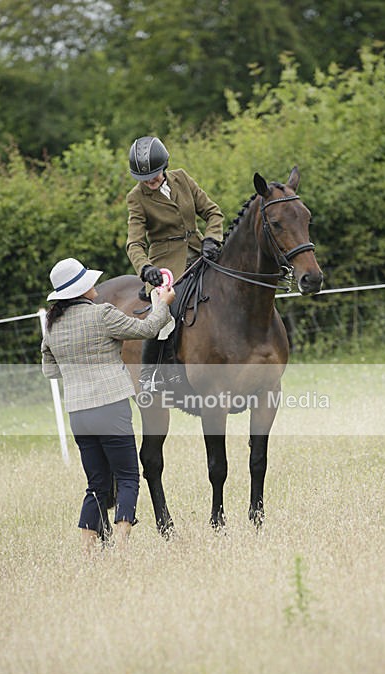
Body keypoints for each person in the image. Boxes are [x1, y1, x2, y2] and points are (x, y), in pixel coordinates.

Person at [41, 257, 175, 555]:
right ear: (81, 289)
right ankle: (121, 546)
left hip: (78, 413)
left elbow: (50, 370)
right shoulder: (102, 314)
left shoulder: (52, 326)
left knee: (97, 484)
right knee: (127, 478)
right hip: (111, 408)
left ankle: (87, 551)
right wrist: (163, 303)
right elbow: (148, 328)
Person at [126, 135, 224, 389]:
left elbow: (213, 212)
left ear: (165, 166)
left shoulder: (182, 178)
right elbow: (134, 243)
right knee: (163, 313)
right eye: (144, 178)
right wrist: (146, 268)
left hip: (202, 253)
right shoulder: (136, 197)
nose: (150, 181)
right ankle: (151, 375)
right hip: (165, 266)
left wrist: (212, 239)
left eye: (154, 175)